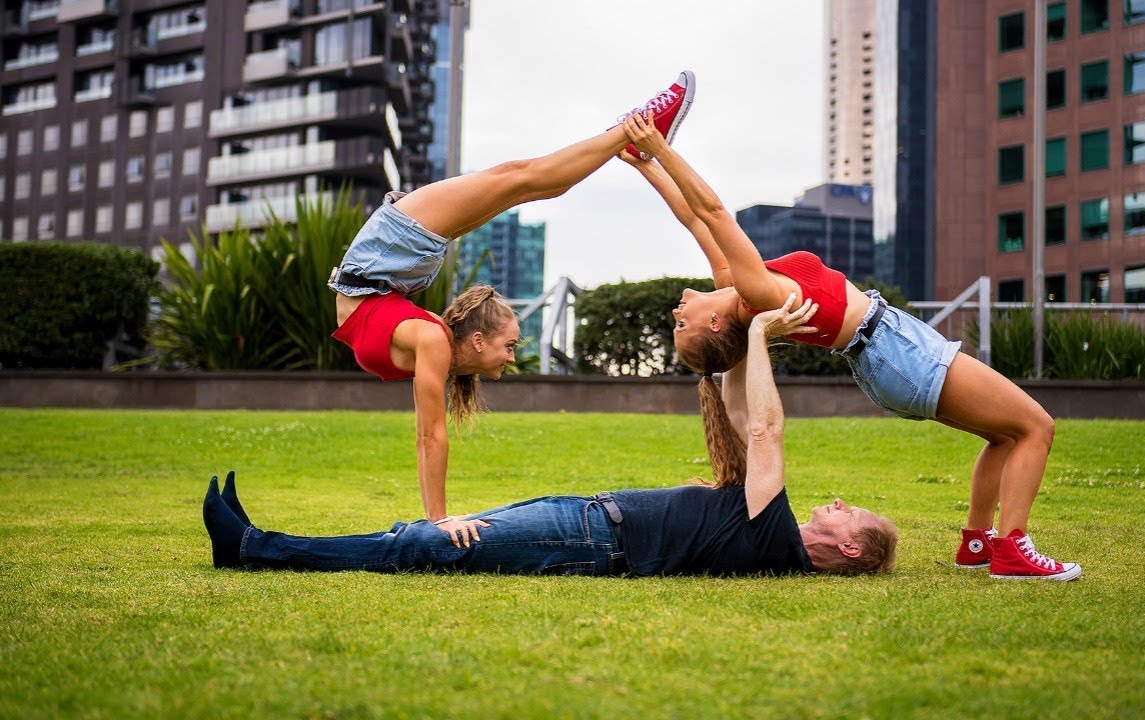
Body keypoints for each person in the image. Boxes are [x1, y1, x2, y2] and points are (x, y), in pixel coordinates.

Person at [618, 112, 1080, 581]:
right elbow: (715, 212)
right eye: (682, 323)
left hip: (887, 356)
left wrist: (646, 165)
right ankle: (1012, 551)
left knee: (1004, 434)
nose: (679, 307)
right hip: (896, 353)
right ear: (715, 324)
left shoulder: (737, 289)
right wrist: (660, 146)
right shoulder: (757, 295)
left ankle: (978, 543)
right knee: (1036, 428)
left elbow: (696, 221)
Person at [202, 296, 899, 577]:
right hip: (586, 520)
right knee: (424, 537)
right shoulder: (762, 525)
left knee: (429, 543)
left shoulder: (774, 535)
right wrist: (731, 351)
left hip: (591, 539)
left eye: (850, 511)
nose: (837, 500)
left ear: (847, 546)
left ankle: (253, 547)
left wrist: (755, 332)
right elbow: (743, 416)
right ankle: (253, 539)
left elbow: (769, 425)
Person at [326, 72, 695, 548]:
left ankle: (635, 131)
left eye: (509, 346)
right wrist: (439, 520)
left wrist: (435, 520)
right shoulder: (432, 341)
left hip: (392, 250)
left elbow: (428, 435)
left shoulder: (433, 341)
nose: (511, 356)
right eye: (511, 345)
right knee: (526, 181)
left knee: (526, 180)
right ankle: (635, 132)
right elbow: (430, 436)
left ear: (475, 340)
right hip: (397, 257)